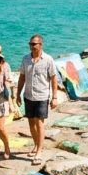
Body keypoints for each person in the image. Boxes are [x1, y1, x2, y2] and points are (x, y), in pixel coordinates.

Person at [16, 34, 59, 165]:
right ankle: (36, 144)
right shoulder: (25, 59)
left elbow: (53, 78)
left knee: (39, 123)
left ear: (41, 45)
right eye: (30, 44)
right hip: (28, 95)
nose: (32, 46)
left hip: (42, 96)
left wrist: (54, 97)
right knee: (31, 123)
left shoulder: (48, 59)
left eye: (34, 44)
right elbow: (22, 77)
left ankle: (39, 151)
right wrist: (17, 93)